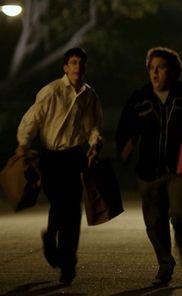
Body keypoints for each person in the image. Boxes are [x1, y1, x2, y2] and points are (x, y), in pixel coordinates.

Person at [116, 46, 182, 284]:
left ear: (173, 71)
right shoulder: (139, 98)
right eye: (151, 68)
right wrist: (124, 151)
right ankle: (165, 264)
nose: (155, 73)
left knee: (180, 214)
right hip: (148, 170)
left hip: (181, 170)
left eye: (161, 67)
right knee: (154, 221)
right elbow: (125, 130)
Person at [15, 47, 103, 285]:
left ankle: (67, 262)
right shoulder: (51, 91)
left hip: (74, 157)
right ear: (65, 67)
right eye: (73, 63)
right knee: (60, 205)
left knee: (72, 211)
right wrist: (24, 143)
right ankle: (51, 240)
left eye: (81, 63)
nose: (77, 67)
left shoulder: (88, 95)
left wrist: (95, 142)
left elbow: (91, 125)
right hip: (51, 157)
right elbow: (32, 118)